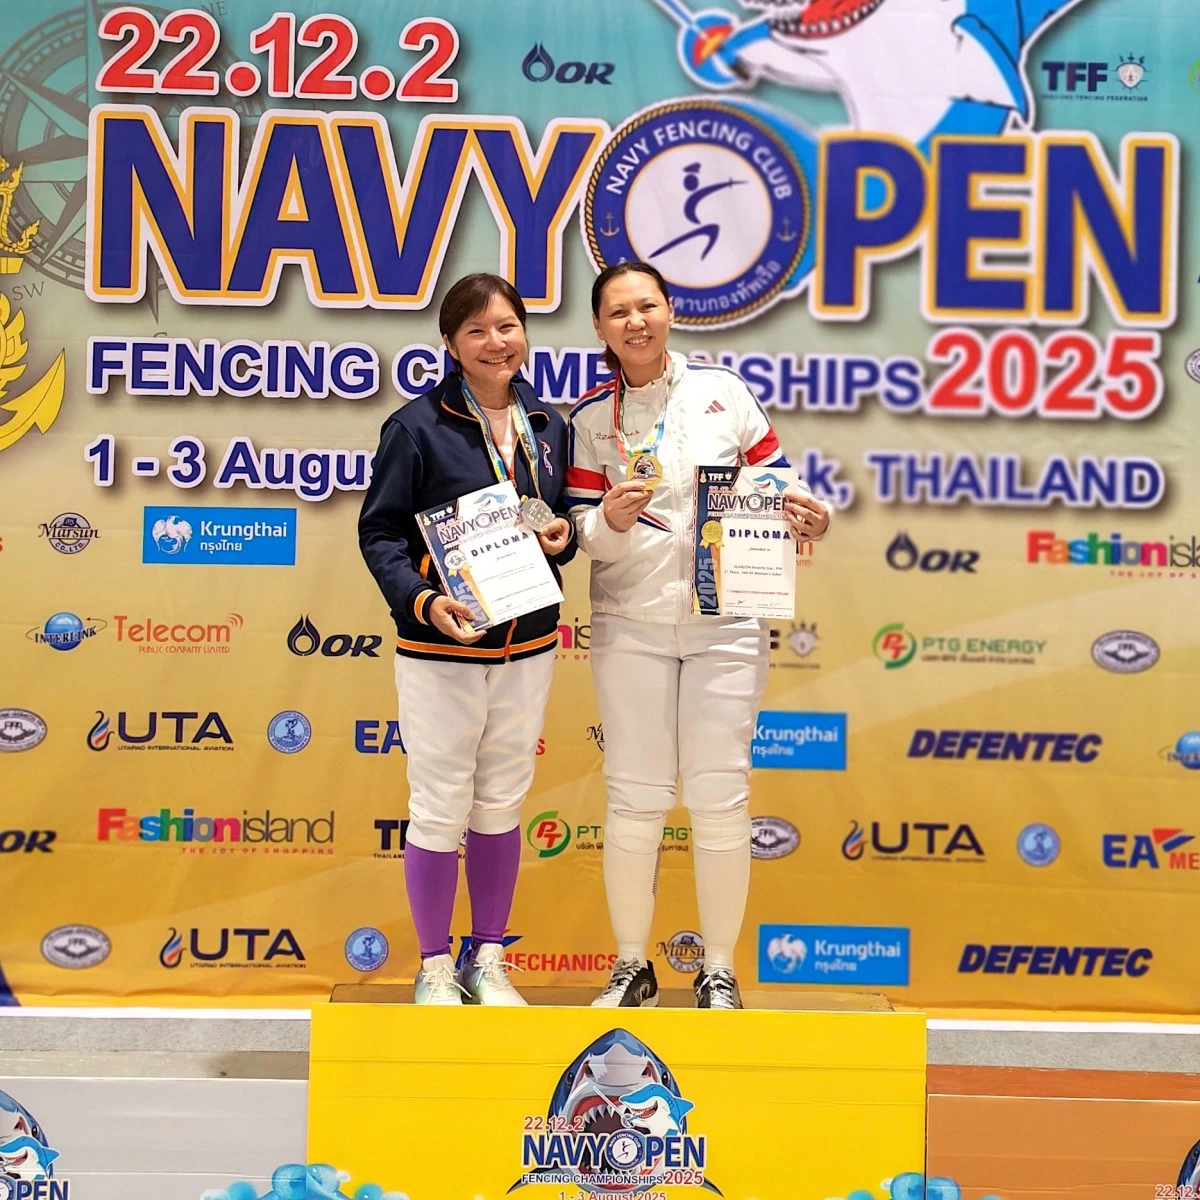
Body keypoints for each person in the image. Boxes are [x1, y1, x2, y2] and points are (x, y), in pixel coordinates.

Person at [566, 261, 831, 1010]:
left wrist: (810, 514)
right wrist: (607, 524)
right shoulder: (590, 419)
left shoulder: (725, 393)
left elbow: (779, 486)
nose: (636, 322)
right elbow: (583, 531)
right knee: (635, 797)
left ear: (671, 310)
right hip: (632, 625)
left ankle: (719, 969)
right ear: (599, 328)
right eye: (619, 312)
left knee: (719, 796)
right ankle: (630, 967)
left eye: (647, 305)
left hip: (728, 623)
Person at [359, 273, 575, 1006]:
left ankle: (487, 958)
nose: (496, 342)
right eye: (477, 330)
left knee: (503, 803)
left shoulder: (548, 424)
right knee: (440, 803)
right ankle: (433, 965)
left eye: (507, 326)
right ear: (450, 344)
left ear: (525, 332)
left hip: (529, 644)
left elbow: (561, 521)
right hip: (443, 647)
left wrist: (562, 534)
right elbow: (380, 532)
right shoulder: (416, 427)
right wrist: (420, 598)